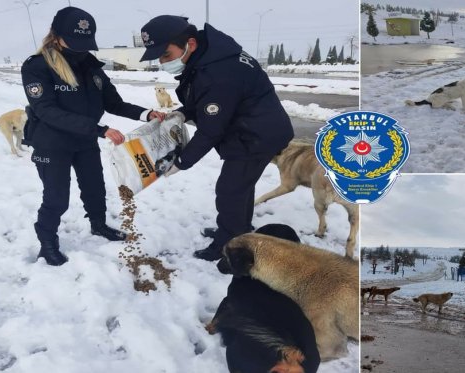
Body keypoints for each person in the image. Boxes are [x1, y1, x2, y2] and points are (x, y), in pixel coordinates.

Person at [138, 16, 294, 261]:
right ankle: (237, 229)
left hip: (256, 136)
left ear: (190, 43)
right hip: (250, 128)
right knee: (240, 187)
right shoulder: (210, 57)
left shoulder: (219, 72)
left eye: (166, 55)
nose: (162, 62)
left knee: (230, 191)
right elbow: (203, 100)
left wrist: (181, 162)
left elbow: (211, 129)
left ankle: (229, 243)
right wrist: (183, 112)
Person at [21, 7, 166, 266]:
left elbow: (114, 103)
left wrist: (147, 113)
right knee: (56, 197)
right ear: (56, 36)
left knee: (95, 188)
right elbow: (47, 111)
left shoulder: (90, 66)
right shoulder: (37, 67)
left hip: (84, 140)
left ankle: (98, 225)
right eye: (74, 42)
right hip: (52, 143)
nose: (81, 49)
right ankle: (47, 242)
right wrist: (100, 130)